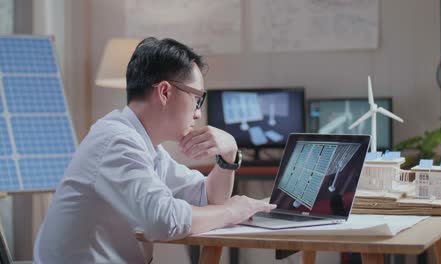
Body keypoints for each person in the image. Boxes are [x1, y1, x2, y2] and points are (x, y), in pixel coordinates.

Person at [34, 37, 276, 263]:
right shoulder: (116, 142)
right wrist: (232, 211)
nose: (198, 112)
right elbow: (163, 220)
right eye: (197, 98)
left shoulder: (144, 145)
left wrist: (229, 155)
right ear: (164, 92)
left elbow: (208, 199)